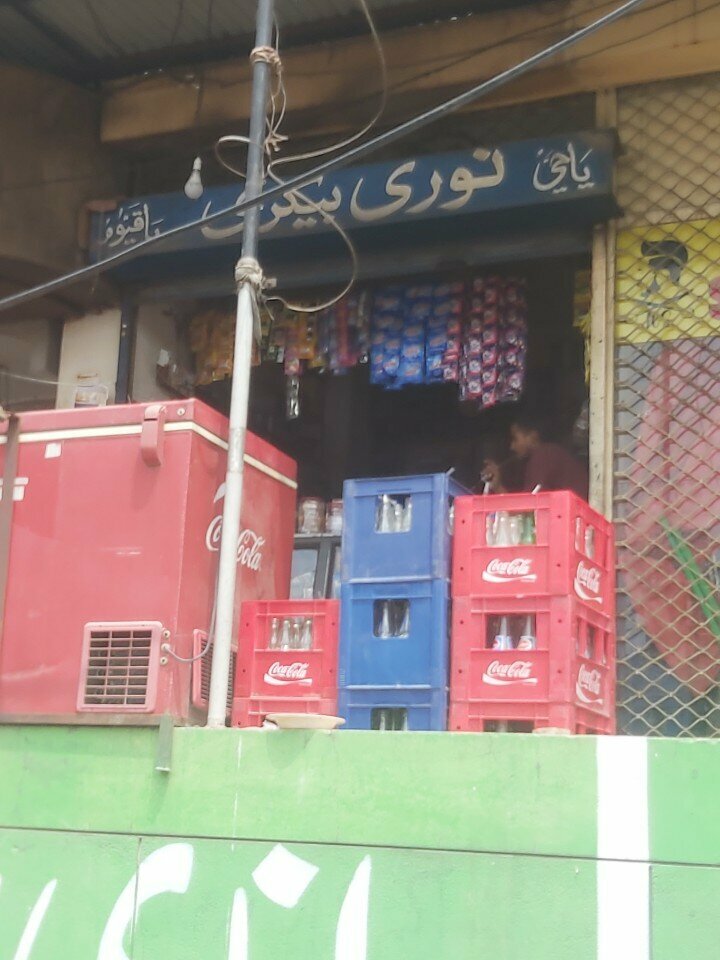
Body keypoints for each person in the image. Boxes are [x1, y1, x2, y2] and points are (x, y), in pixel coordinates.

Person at [483, 411, 588, 499]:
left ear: (533, 437)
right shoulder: (551, 453)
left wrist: (498, 487)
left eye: (515, 439)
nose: (512, 447)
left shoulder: (544, 455)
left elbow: (529, 507)